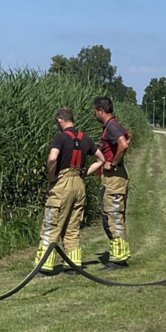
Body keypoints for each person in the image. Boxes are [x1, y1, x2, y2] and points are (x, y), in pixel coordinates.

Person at [35, 107, 106, 275]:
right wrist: (84, 174)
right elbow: (101, 159)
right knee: (72, 228)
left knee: (52, 225)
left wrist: (52, 177)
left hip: (63, 184)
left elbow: (52, 158)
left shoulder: (60, 138)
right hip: (78, 185)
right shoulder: (85, 138)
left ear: (60, 120)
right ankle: (73, 265)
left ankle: (43, 266)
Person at [93, 97, 132, 270]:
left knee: (113, 217)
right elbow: (128, 136)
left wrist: (114, 163)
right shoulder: (114, 126)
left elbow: (123, 144)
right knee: (110, 217)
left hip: (114, 178)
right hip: (112, 179)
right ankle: (118, 255)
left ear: (101, 111)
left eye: (95, 111)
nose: (94, 114)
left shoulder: (112, 127)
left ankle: (118, 259)